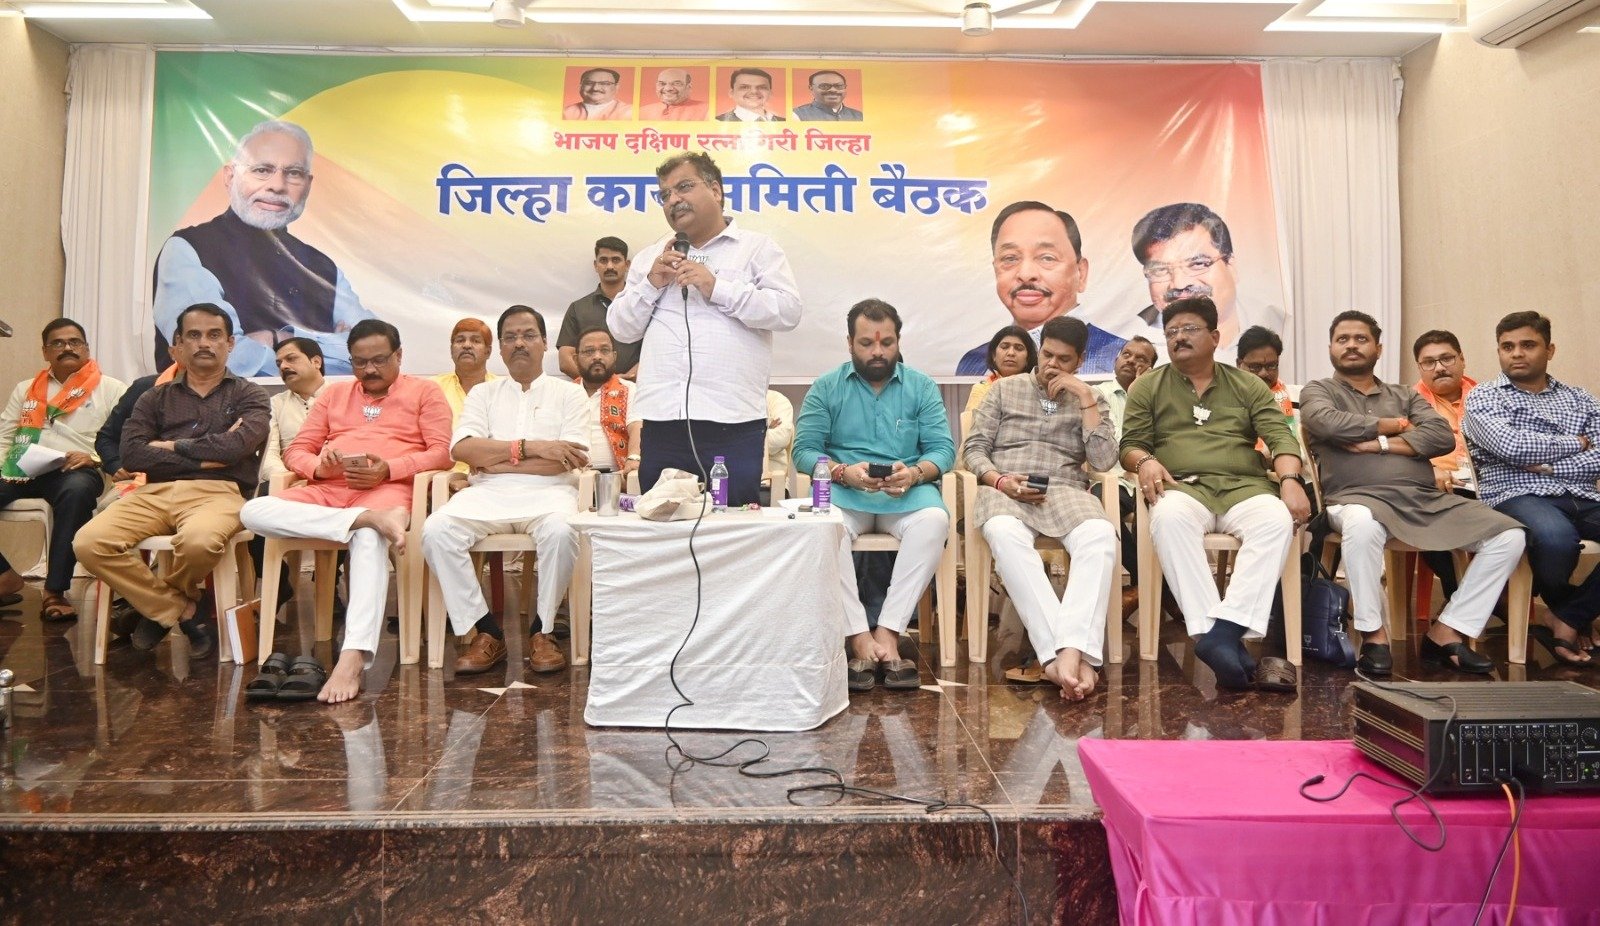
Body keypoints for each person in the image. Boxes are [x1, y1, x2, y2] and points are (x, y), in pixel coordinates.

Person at [239, 320, 453, 703]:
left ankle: (352, 658)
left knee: (369, 538)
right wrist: (320, 467)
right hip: (329, 490)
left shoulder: (425, 392)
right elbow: (297, 450)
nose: (369, 370)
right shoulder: (335, 394)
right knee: (253, 511)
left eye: (379, 360)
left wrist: (389, 468)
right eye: (359, 362)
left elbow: (441, 453)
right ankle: (364, 520)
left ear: (399, 355)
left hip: (387, 491)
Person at [1300, 311, 1524, 676]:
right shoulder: (1319, 391)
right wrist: (1394, 425)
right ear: (1330, 348)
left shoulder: (1404, 394)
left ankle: (1447, 630)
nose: (1352, 345)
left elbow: (1440, 436)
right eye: (1343, 339)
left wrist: (1380, 443)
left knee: (1509, 535)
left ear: (1378, 348)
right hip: (1355, 498)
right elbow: (1325, 422)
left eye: (1361, 339)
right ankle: (1374, 636)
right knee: (1362, 523)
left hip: (1422, 499)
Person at [1120, 296, 1308, 691]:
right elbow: (1130, 445)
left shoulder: (1247, 384)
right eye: (1172, 332)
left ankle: (1219, 635)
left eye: (1189, 329)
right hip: (1183, 487)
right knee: (1167, 517)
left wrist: (1291, 480)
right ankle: (1221, 639)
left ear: (1215, 337)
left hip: (1245, 487)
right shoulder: (1148, 386)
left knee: (1276, 519)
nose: (1179, 337)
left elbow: (1280, 437)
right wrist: (1145, 461)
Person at [73, 304, 271, 659]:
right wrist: (207, 455)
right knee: (89, 543)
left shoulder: (249, 395)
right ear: (178, 345)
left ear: (230, 343)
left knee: (199, 543)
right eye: (193, 335)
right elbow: (133, 455)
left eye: (214, 335)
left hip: (219, 492)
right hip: (153, 492)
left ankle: (157, 607)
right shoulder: (153, 397)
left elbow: (236, 447)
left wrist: (170, 446)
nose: (204, 343)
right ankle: (181, 607)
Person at [609, 152, 802, 506]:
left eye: (683, 187)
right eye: (665, 194)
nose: (673, 200)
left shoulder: (757, 249)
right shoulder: (652, 257)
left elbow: (788, 311)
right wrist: (651, 283)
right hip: (663, 421)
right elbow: (621, 328)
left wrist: (717, 288)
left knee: (732, 526)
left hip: (733, 421)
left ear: (715, 190)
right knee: (664, 525)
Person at [794, 299, 954, 692]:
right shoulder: (827, 386)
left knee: (934, 522)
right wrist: (841, 472)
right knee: (823, 527)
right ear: (850, 343)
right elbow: (804, 450)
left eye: (886, 342)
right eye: (867, 343)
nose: (877, 351)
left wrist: (914, 474)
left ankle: (888, 632)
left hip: (906, 495)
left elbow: (943, 450)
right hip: (847, 494)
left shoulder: (921, 386)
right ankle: (857, 636)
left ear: (898, 341)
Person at [422, 306, 588, 675]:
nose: (519, 343)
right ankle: (487, 632)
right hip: (487, 492)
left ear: (544, 342)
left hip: (550, 493)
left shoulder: (570, 394)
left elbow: (567, 460)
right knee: (436, 530)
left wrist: (495, 459)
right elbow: (463, 450)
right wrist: (533, 447)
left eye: (528, 335)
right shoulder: (484, 394)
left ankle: (543, 631)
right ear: (500, 348)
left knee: (562, 531)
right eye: (510, 337)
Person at [965, 316, 1120, 700]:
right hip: (1007, 485)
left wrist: (1084, 399)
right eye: (1047, 354)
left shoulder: (1092, 398)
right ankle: (1067, 655)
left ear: (1080, 360)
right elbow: (974, 449)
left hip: (1064, 489)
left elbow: (1102, 462)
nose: (1052, 365)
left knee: (1100, 535)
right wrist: (1000, 480)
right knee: (1004, 532)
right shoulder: (1004, 389)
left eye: (1063, 359)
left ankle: (1064, 653)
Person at [152, 120, 377, 377]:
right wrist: (330, 350)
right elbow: (219, 357)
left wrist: (277, 338)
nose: (277, 185)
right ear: (230, 177)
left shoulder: (323, 268)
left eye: (294, 173)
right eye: (262, 170)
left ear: (308, 185)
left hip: (316, 403)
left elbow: (374, 350)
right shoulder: (189, 249)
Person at [1464, 311, 1600, 666]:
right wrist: (1576, 442)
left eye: (1528, 345)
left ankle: (1567, 615)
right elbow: (1512, 447)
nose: (1517, 353)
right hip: (1515, 494)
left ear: (1549, 350)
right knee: (1556, 540)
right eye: (1507, 346)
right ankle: (1568, 610)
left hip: (1582, 494)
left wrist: (1550, 465)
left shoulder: (1580, 398)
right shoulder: (1484, 397)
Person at [0, 319, 127, 622]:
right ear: (45, 352)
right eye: (57, 343)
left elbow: (122, 441)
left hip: (77, 469)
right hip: (23, 469)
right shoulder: (26, 389)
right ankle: (5, 576)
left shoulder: (112, 389)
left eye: (74, 342)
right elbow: (6, 436)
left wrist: (94, 458)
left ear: (86, 348)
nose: (67, 347)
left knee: (76, 492)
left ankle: (55, 591)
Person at [956, 201, 1126, 377]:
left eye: (1047, 258)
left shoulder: (1119, 356)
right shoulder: (974, 363)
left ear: (1080, 273)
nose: (1026, 274)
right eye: (1010, 258)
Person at [1129, 203, 1284, 355]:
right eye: (1160, 270)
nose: (1180, 283)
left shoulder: (1278, 325)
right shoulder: (1130, 343)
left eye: (1198, 264)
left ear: (1231, 266)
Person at [1093, 336, 1158, 612]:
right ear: (1116, 359)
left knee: (1168, 517)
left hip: (1148, 479)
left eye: (1141, 359)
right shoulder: (1096, 395)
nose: (1131, 361)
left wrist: (1141, 394)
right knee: (1102, 504)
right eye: (1127, 354)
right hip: (1110, 478)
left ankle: (1144, 589)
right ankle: (1154, 587)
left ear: (1151, 369)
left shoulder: (1158, 398)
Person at [558, 237, 639, 381]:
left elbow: (655, 351)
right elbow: (565, 359)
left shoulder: (643, 305)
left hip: (637, 389)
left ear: (627, 265)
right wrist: (597, 384)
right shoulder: (578, 308)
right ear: (596, 265)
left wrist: (623, 383)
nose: (609, 266)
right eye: (603, 260)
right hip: (589, 392)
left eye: (616, 260)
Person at [1412, 330, 1477, 492]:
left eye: (1447, 359)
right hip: (1430, 487)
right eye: (1429, 362)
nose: (1439, 368)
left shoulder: (1487, 398)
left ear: (1462, 360)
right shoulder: (1406, 405)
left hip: (1487, 485)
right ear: (1419, 368)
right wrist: (1428, 470)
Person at [260, 338, 328, 485]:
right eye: (279, 363)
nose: (283, 366)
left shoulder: (345, 397)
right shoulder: (274, 404)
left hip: (338, 481)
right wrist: (288, 480)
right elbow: (267, 454)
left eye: (291, 359)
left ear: (316, 362)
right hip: (289, 484)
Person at [574, 328, 640, 475]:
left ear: (614, 356)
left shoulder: (629, 389)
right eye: (589, 351)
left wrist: (634, 458)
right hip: (570, 477)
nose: (597, 357)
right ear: (575, 359)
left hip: (617, 477)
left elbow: (636, 426)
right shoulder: (566, 392)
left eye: (604, 350)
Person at [1236, 325, 1297, 442]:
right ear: (1239, 364)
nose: (1263, 373)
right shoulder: (1226, 399)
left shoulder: (1298, 397)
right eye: (1255, 367)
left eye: (1271, 366)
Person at [433, 318, 498, 421]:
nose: (466, 345)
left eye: (476, 341)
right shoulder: (433, 387)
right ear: (451, 350)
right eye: (460, 340)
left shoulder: (501, 389)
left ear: (488, 351)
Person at [963, 325, 1037, 415]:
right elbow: (972, 422)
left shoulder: (1037, 389)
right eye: (1004, 347)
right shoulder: (982, 389)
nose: (1011, 353)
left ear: (1028, 358)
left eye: (1019, 348)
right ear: (994, 355)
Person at [715, 68, 785, 122]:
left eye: (761, 87)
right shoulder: (718, 122)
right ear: (731, 93)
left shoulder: (784, 122)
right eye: (745, 87)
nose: (754, 91)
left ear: (770, 93)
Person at [562, 67, 633, 121]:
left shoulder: (630, 112)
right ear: (581, 86)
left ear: (616, 87)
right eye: (589, 83)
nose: (595, 88)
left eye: (604, 83)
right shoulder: (565, 113)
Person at [638, 68, 709, 121]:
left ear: (689, 87)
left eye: (676, 83)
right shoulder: (642, 111)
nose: (668, 88)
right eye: (662, 83)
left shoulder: (707, 111)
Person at [792, 70, 863, 121]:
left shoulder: (859, 116)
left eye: (838, 86)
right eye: (824, 86)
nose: (833, 90)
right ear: (811, 88)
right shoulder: (797, 115)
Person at [762, 389, 794, 501]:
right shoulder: (726, 400)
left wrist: (739, 435)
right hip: (729, 478)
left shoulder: (777, 400)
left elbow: (781, 438)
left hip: (770, 484)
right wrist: (765, 428)